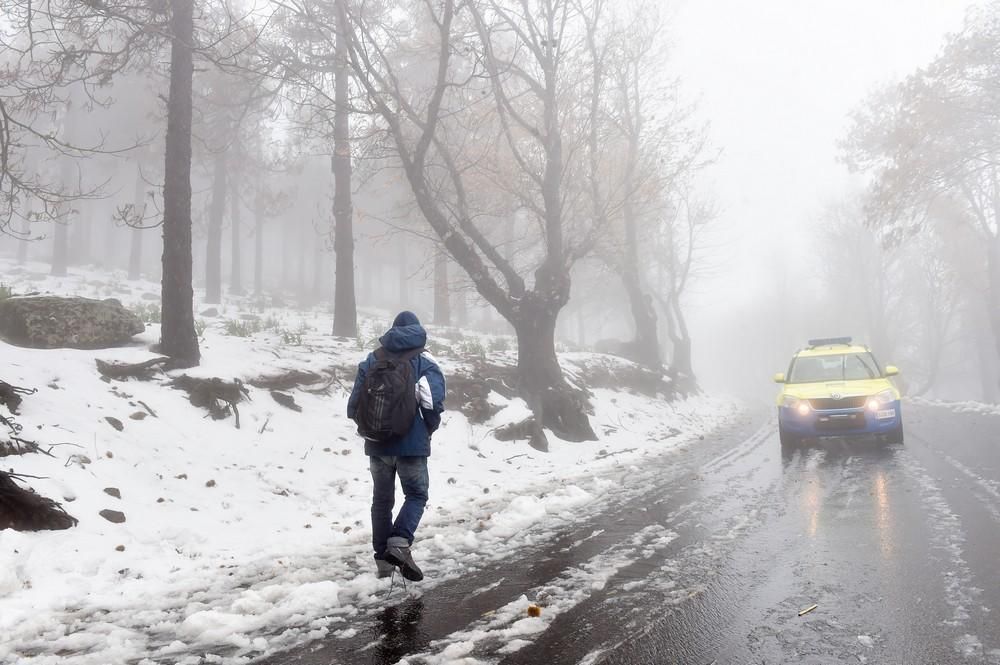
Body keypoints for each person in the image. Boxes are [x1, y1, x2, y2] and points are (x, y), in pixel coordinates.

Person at [347, 311, 446, 581]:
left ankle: (382, 561)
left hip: (377, 445)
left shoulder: (371, 360)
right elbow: (433, 403)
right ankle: (400, 542)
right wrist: (427, 429)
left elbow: (353, 405)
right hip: (411, 444)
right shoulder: (424, 362)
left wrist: (369, 429)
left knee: (381, 500)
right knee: (416, 495)